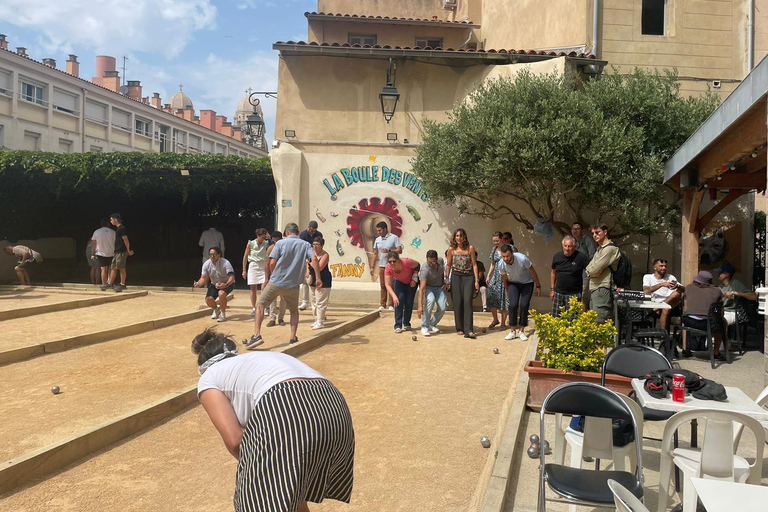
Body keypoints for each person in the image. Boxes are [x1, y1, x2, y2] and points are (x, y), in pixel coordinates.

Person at [192, 328, 355, 512]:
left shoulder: (209, 377)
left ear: (204, 365)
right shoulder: (259, 360)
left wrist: (257, 471)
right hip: (333, 404)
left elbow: (235, 441)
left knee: (255, 500)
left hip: (284, 404)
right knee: (290, 490)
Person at [247, 223, 322, 348]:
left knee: (260, 305)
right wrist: (318, 278)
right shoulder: (305, 244)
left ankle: (256, 335)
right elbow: (314, 259)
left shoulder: (280, 244)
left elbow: (272, 262)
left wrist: (272, 276)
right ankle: (293, 338)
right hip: (293, 285)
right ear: (298, 232)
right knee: (293, 311)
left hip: (277, 281)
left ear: (287, 232)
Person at [500, 244, 541, 340]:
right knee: (513, 305)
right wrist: (507, 291)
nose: (506, 258)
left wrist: (538, 286)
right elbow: (505, 279)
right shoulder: (501, 264)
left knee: (524, 305)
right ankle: (512, 331)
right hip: (513, 283)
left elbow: (533, 272)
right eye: (503, 256)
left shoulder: (522, 259)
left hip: (527, 283)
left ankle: (522, 330)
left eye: (508, 256)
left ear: (512, 254)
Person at [681, 270, 725, 360]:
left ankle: (685, 349)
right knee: (722, 322)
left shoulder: (688, 288)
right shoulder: (717, 291)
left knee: (684, 322)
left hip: (689, 322)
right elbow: (721, 313)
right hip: (707, 324)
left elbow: (685, 308)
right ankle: (716, 353)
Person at [445, 228, 479, 339]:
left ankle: (469, 329)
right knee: (458, 302)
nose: (459, 238)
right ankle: (459, 327)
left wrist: (476, 280)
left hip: (468, 276)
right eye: (457, 236)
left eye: (461, 236)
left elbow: (474, 264)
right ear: (455, 237)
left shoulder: (470, 248)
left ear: (465, 237)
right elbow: (449, 265)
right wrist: (447, 280)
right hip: (456, 276)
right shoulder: (451, 249)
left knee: (468, 301)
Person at [585, 224, 620, 324]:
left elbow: (593, 269)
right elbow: (588, 268)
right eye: (593, 233)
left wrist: (591, 272)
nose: (594, 235)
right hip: (595, 288)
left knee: (601, 322)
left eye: (597, 232)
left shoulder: (610, 249)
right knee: (594, 321)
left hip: (602, 287)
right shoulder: (600, 249)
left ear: (605, 232)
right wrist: (591, 273)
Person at [550, 235, 590, 317]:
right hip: (558, 293)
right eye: (565, 246)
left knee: (573, 320)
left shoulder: (581, 257)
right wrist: (552, 289)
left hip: (574, 294)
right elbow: (553, 273)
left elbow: (590, 271)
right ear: (562, 246)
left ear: (574, 247)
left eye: (569, 246)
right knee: (555, 319)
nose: (567, 248)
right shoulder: (557, 256)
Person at [193, 246, 235, 323]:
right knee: (208, 300)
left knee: (221, 293)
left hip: (227, 283)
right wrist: (198, 284)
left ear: (219, 255)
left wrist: (226, 284)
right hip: (214, 284)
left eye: (214, 255)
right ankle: (216, 309)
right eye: (211, 255)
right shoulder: (206, 264)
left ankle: (223, 314)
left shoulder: (225, 263)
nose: (212, 257)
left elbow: (232, 277)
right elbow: (203, 278)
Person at [642, 258, 684, 331]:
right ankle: (663, 337)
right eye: (661, 266)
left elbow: (684, 290)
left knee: (676, 294)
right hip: (655, 304)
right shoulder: (648, 277)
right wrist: (661, 284)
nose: (664, 268)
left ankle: (662, 335)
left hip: (669, 304)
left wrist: (677, 286)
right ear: (655, 267)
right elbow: (646, 291)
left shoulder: (670, 277)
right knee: (665, 309)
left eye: (665, 266)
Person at [384, 251, 420, 333]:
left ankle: (407, 323)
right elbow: (387, 284)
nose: (392, 263)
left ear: (398, 259)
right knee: (398, 300)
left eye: (394, 261)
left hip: (411, 281)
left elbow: (418, 265)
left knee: (409, 302)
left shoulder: (407, 262)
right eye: (390, 261)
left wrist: (414, 277)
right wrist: (394, 296)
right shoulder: (388, 268)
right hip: (399, 281)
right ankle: (398, 325)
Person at [370, 221, 403, 310]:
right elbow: (375, 253)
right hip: (382, 265)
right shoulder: (377, 240)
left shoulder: (394, 237)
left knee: (391, 285)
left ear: (385, 229)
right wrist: (372, 267)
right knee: (383, 285)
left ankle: (391, 304)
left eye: (380, 230)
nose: (378, 232)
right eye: (377, 231)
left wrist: (390, 251)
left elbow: (399, 250)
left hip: (392, 266)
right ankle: (382, 304)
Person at [715, 261, 758, 327]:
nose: (718, 274)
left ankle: (723, 337)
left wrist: (734, 293)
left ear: (727, 274)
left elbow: (754, 296)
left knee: (721, 321)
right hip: (722, 311)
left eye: (720, 273)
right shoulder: (720, 286)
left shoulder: (736, 284)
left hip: (733, 312)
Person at [417, 250, 448, 337]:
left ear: (437, 259)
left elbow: (441, 273)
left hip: (439, 287)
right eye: (429, 262)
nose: (431, 264)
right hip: (428, 287)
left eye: (433, 262)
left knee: (443, 307)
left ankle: (432, 323)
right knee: (430, 300)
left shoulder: (441, 261)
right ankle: (424, 326)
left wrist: (444, 283)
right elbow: (422, 288)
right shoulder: (425, 269)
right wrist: (420, 306)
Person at [102, 213, 133, 292]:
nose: (111, 221)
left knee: (121, 267)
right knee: (113, 267)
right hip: (117, 251)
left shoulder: (121, 228)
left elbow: (126, 240)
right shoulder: (118, 229)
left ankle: (122, 284)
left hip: (121, 251)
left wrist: (128, 250)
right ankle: (110, 283)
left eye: (111, 219)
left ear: (116, 219)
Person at [242, 228, 270, 316]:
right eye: (262, 237)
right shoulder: (251, 243)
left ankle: (264, 306)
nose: (263, 239)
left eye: (264, 237)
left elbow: (273, 246)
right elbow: (245, 257)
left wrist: (268, 237)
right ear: (257, 236)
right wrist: (244, 270)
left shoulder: (266, 243)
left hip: (263, 265)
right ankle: (254, 307)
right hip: (253, 265)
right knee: (253, 289)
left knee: (264, 287)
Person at [486, 232, 509, 330]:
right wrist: (488, 275)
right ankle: (495, 319)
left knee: (504, 300)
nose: (495, 243)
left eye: (497, 241)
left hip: (505, 277)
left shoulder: (509, 248)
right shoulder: (494, 249)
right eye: (494, 241)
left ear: (502, 239)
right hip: (495, 277)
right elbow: (493, 263)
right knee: (492, 298)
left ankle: (503, 323)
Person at [307, 237, 332, 330]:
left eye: (317, 245)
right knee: (313, 301)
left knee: (320, 301)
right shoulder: (311, 254)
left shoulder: (325, 255)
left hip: (323, 280)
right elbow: (307, 266)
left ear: (322, 246)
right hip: (313, 279)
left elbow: (319, 267)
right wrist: (307, 272)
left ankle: (320, 321)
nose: (315, 247)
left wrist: (310, 262)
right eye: (314, 244)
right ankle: (316, 319)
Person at [298, 221, 323, 311]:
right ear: (308, 227)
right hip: (305, 258)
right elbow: (301, 247)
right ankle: (305, 301)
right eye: (311, 231)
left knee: (316, 279)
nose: (313, 233)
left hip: (315, 258)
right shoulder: (303, 235)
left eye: (314, 231)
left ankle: (316, 302)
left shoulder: (319, 234)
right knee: (306, 280)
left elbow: (320, 246)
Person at [572, 221, 597, 310]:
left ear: (581, 230)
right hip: (574, 273)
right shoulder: (572, 241)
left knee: (581, 296)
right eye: (573, 229)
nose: (575, 231)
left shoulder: (587, 240)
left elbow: (592, 256)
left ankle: (584, 318)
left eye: (577, 229)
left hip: (584, 273)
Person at [265, 231, 286, 327]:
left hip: (285, 276)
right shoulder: (270, 248)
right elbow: (267, 264)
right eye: (273, 241)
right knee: (272, 298)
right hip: (274, 276)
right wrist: (266, 278)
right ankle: (272, 318)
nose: (275, 243)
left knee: (284, 298)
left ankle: (281, 317)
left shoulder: (286, 248)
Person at [90, 217, 115, 286]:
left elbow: (93, 244)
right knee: (111, 269)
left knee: (103, 269)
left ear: (101, 224)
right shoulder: (113, 232)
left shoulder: (96, 232)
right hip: (111, 252)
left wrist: (92, 253)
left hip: (101, 253)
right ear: (108, 224)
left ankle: (104, 284)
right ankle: (110, 283)